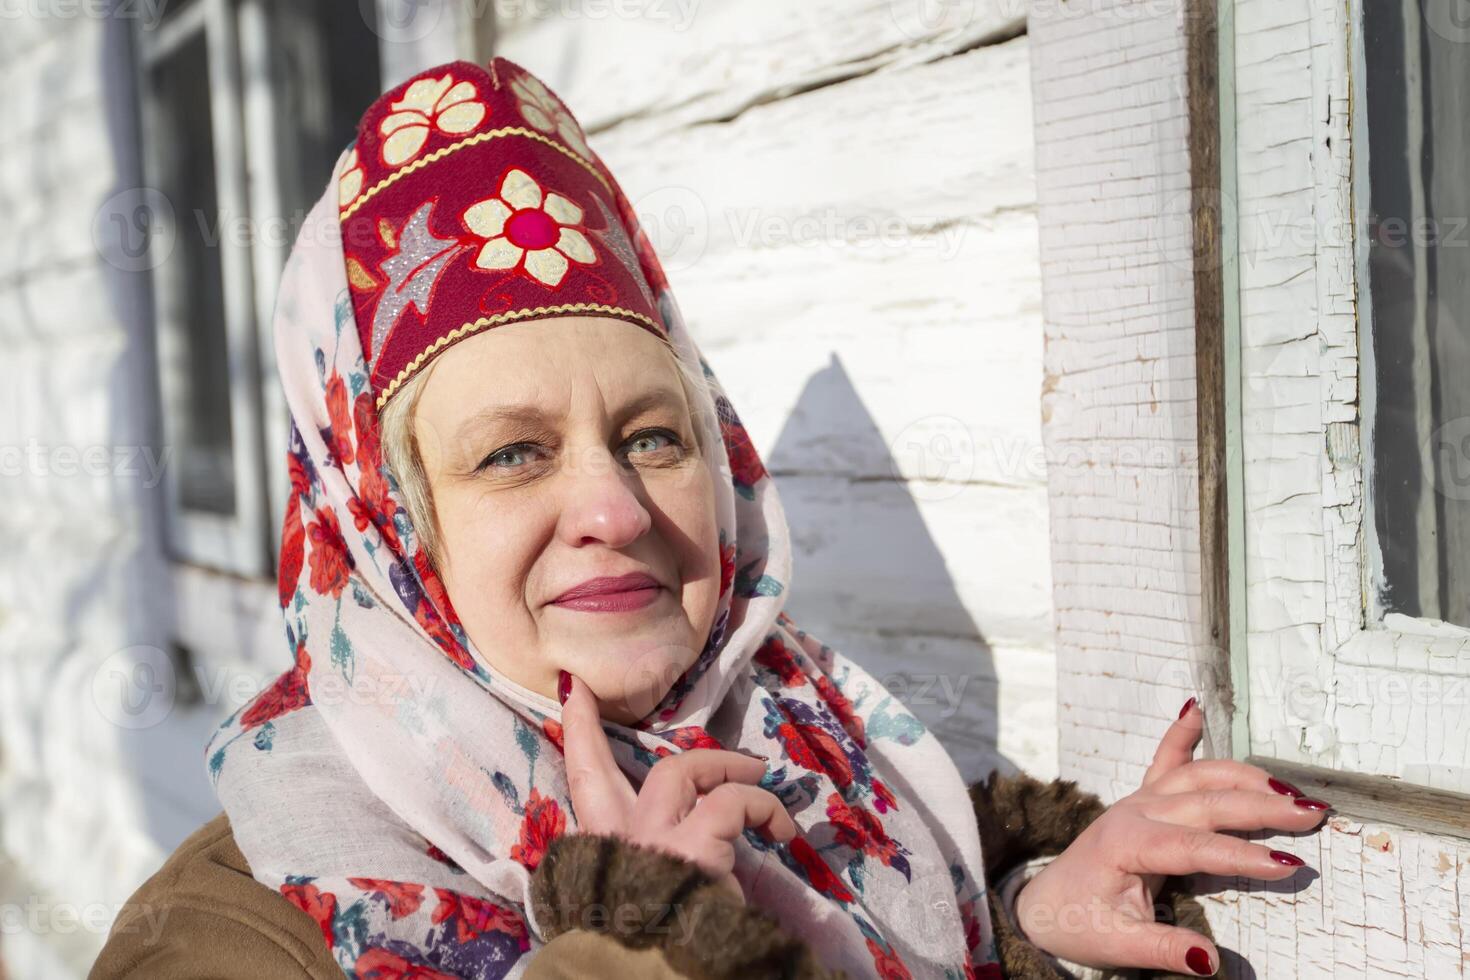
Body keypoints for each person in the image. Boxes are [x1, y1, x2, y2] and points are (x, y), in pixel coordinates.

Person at [93, 57, 1328, 980]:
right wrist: (636, 942)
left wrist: (1035, 919)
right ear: (386, 534)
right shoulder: (229, 931)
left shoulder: (845, 776)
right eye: (512, 453)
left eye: (652, 436)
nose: (614, 506)